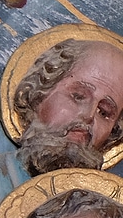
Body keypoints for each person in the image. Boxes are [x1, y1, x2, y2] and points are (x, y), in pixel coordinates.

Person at [10, 37, 123, 176]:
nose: (89, 115)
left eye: (103, 112)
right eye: (78, 96)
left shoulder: (109, 190)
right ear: (39, 93)